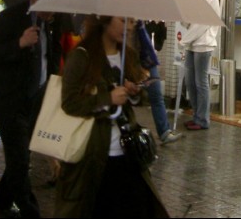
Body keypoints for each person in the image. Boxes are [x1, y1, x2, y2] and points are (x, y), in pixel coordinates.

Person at [54, 15, 169, 218]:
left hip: (128, 154)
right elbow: (69, 103)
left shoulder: (128, 55)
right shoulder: (82, 57)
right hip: (94, 156)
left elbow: (138, 99)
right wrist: (108, 98)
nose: (130, 27)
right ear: (104, 20)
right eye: (123, 21)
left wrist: (133, 93)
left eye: (132, 22)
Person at [0, 0, 62, 219]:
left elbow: (49, 59)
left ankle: (2, 201)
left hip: (34, 102)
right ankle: (30, 211)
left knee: (19, 156)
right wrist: (19, 43)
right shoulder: (9, 19)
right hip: (7, 100)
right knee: (21, 159)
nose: (55, 10)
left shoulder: (51, 23)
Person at [180, 0, 221, 131]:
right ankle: (196, 115)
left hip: (203, 46)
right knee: (190, 82)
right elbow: (191, 23)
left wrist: (185, 39)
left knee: (200, 82)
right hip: (192, 45)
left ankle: (203, 119)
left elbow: (202, 25)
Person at [132, 19, 181, 145]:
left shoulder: (139, 23)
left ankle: (164, 131)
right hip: (132, 60)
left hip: (146, 60)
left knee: (156, 94)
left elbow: (147, 42)